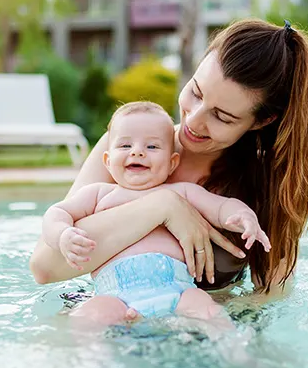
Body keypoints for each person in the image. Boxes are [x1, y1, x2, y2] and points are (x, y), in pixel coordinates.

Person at [30, 17, 308, 308]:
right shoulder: (124, 148)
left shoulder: (269, 182)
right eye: (196, 92)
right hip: (116, 313)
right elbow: (45, 268)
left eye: (222, 116)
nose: (193, 120)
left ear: (261, 121)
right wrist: (165, 206)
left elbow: (270, 295)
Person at [41, 101, 271, 325]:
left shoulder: (182, 192)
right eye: (125, 146)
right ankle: (92, 360)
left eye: (151, 147)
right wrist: (62, 235)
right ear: (108, 161)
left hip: (178, 293)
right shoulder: (99, 194)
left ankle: (234, 352)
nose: (138, 152)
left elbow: (221, 207)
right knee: (90, 315)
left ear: (172, 163)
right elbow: (57, 212)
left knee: (208, 309)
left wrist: (244, 216)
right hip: (114, 297)